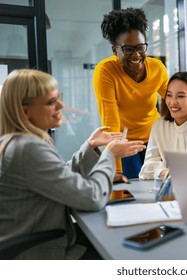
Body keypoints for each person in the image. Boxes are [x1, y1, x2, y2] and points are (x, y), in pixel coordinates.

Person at [0, 69, 146, 259]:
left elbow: (59, 176)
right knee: (129, 251)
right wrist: (109, 156)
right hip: (41, 253)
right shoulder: (28, 149)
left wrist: (91, 145)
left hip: (46, 238)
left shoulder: (19, 142)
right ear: (25, 111)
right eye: (51, 102)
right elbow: (92, 197)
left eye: (58, 97)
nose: (61, 105)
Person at [93, 7, 168, 182]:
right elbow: (110, 121)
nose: (136, 55)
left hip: (155, 138)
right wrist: (114, 168)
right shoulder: (106, 71)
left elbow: (173, 97)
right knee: (132, 185)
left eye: (140, 47)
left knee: (159, 184)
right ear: (115, 50)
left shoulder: (157, 67)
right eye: (127, 49)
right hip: (125, 142)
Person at [139, 71, 187, 179]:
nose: (172, 102)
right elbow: (146, 169)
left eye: (180, 96)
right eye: (169, 95)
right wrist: (166, 171)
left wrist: (163, 170)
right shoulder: (159, 126)